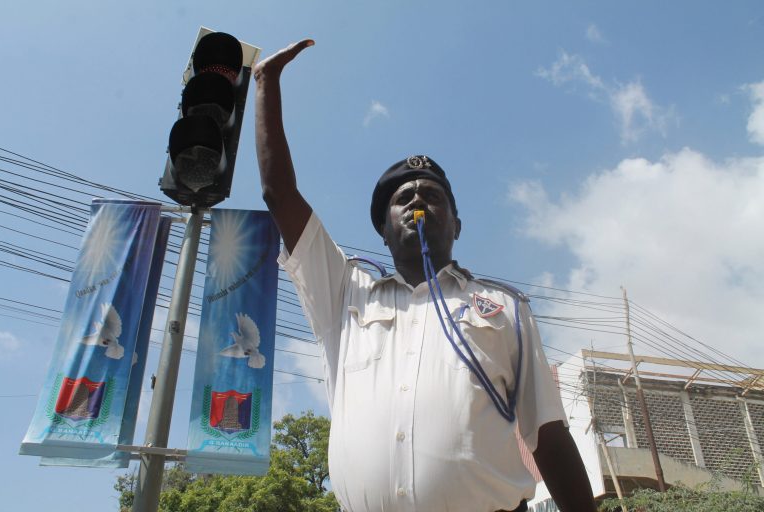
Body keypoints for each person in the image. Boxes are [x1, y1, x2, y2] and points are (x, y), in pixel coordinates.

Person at [254, 39, 596, 512]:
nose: (417, 201)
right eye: (403, 199)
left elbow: (549, 435)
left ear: (456, 224)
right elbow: (280, 194)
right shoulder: (345, 294)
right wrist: (265, 84)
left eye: (432, 196)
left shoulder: (505, 310)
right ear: (383, 230)